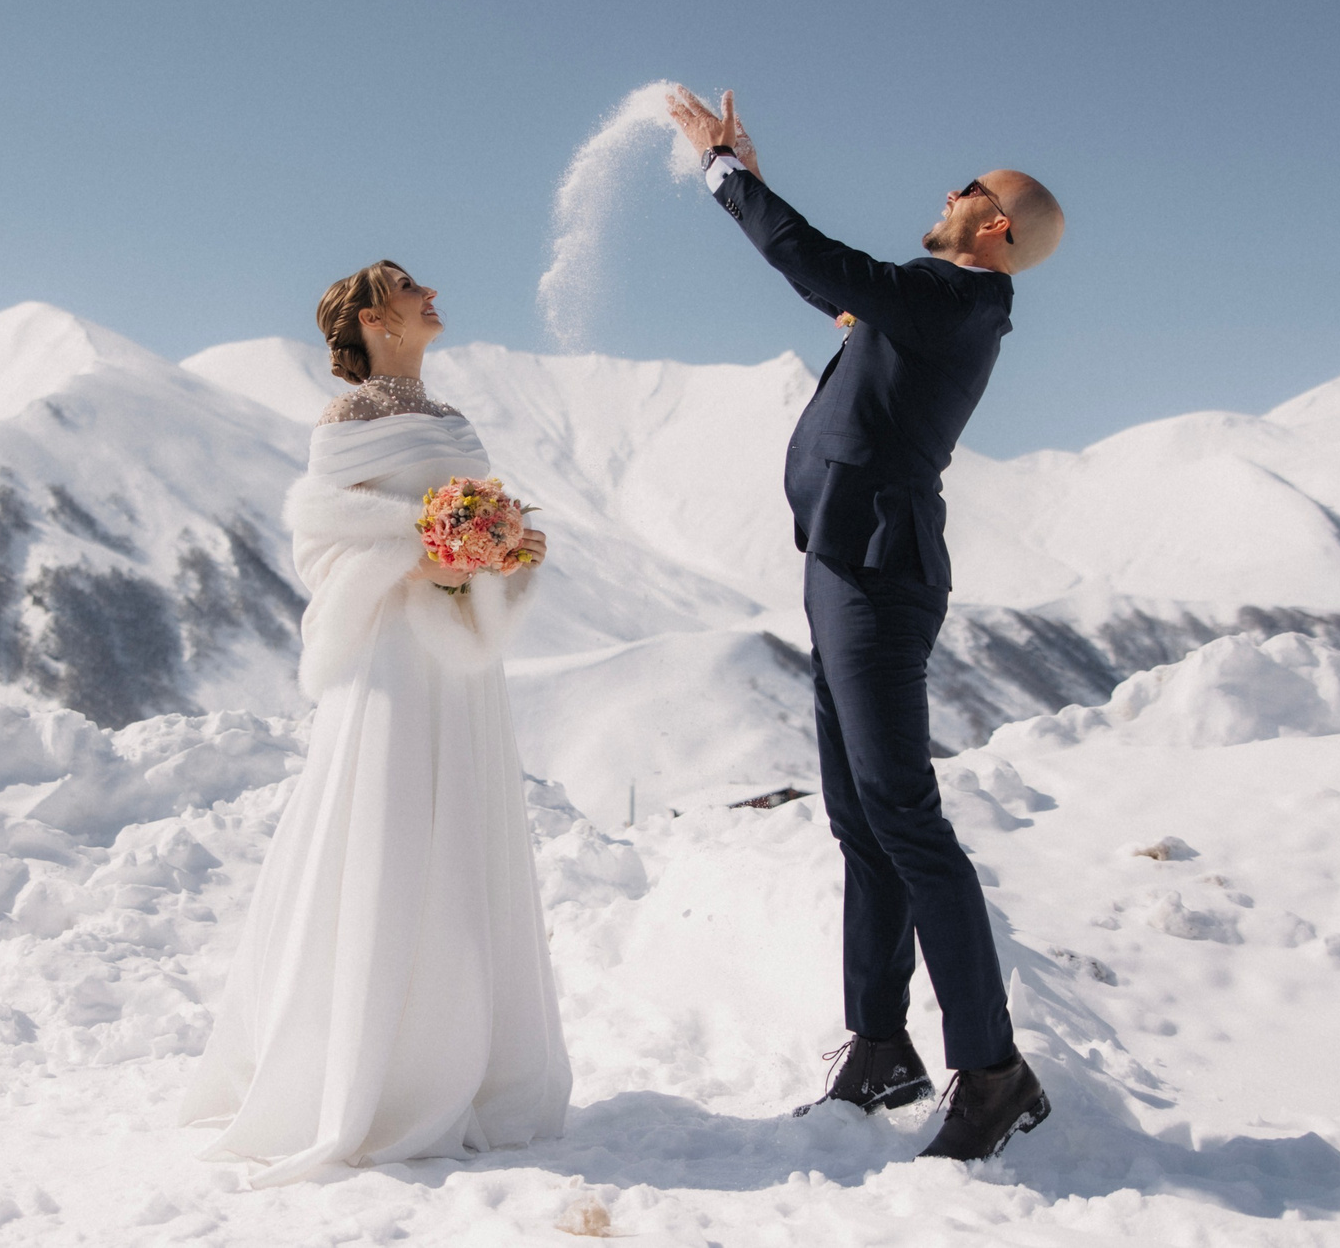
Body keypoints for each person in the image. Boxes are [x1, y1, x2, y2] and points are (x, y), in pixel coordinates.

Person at [666, 85, 1065, 1162]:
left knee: (904, 816)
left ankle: (993, 1072)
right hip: (842, 567)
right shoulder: (933, 303)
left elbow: (818, 263)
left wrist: (723, 173)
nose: (945, 189)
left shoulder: (959, 300)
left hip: (879, 580)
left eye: (967, 186)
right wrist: (749, 167)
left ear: (996, 228)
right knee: (858, 817)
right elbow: (840, 296)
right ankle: (882, 1046)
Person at [179, 261, 571, 1184]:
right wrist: (412, 564)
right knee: (385, 834)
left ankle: (462, 1059)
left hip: (457, 663)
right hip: (392, 655)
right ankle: (366, 1071)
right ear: (371, 317)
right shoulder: (346, 421)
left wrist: (510, 552)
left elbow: (467, 527)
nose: (432, 292)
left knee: (462, 836)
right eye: (407, 287)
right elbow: (324, 544)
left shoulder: (453, 421)